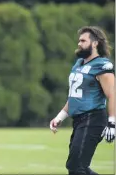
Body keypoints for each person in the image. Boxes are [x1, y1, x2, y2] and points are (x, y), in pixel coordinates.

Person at [49, 26, 115, 175]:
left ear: (95, 43)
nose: (79, 43)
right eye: (79, 40)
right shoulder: (79, 63)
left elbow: (112, 94)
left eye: (83, 40)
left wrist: (112, 123)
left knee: (76, 166)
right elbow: (74, 96)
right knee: (77, 166)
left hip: (93, 119)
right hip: (79, 120)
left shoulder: (102, 65)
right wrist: (60, 117)